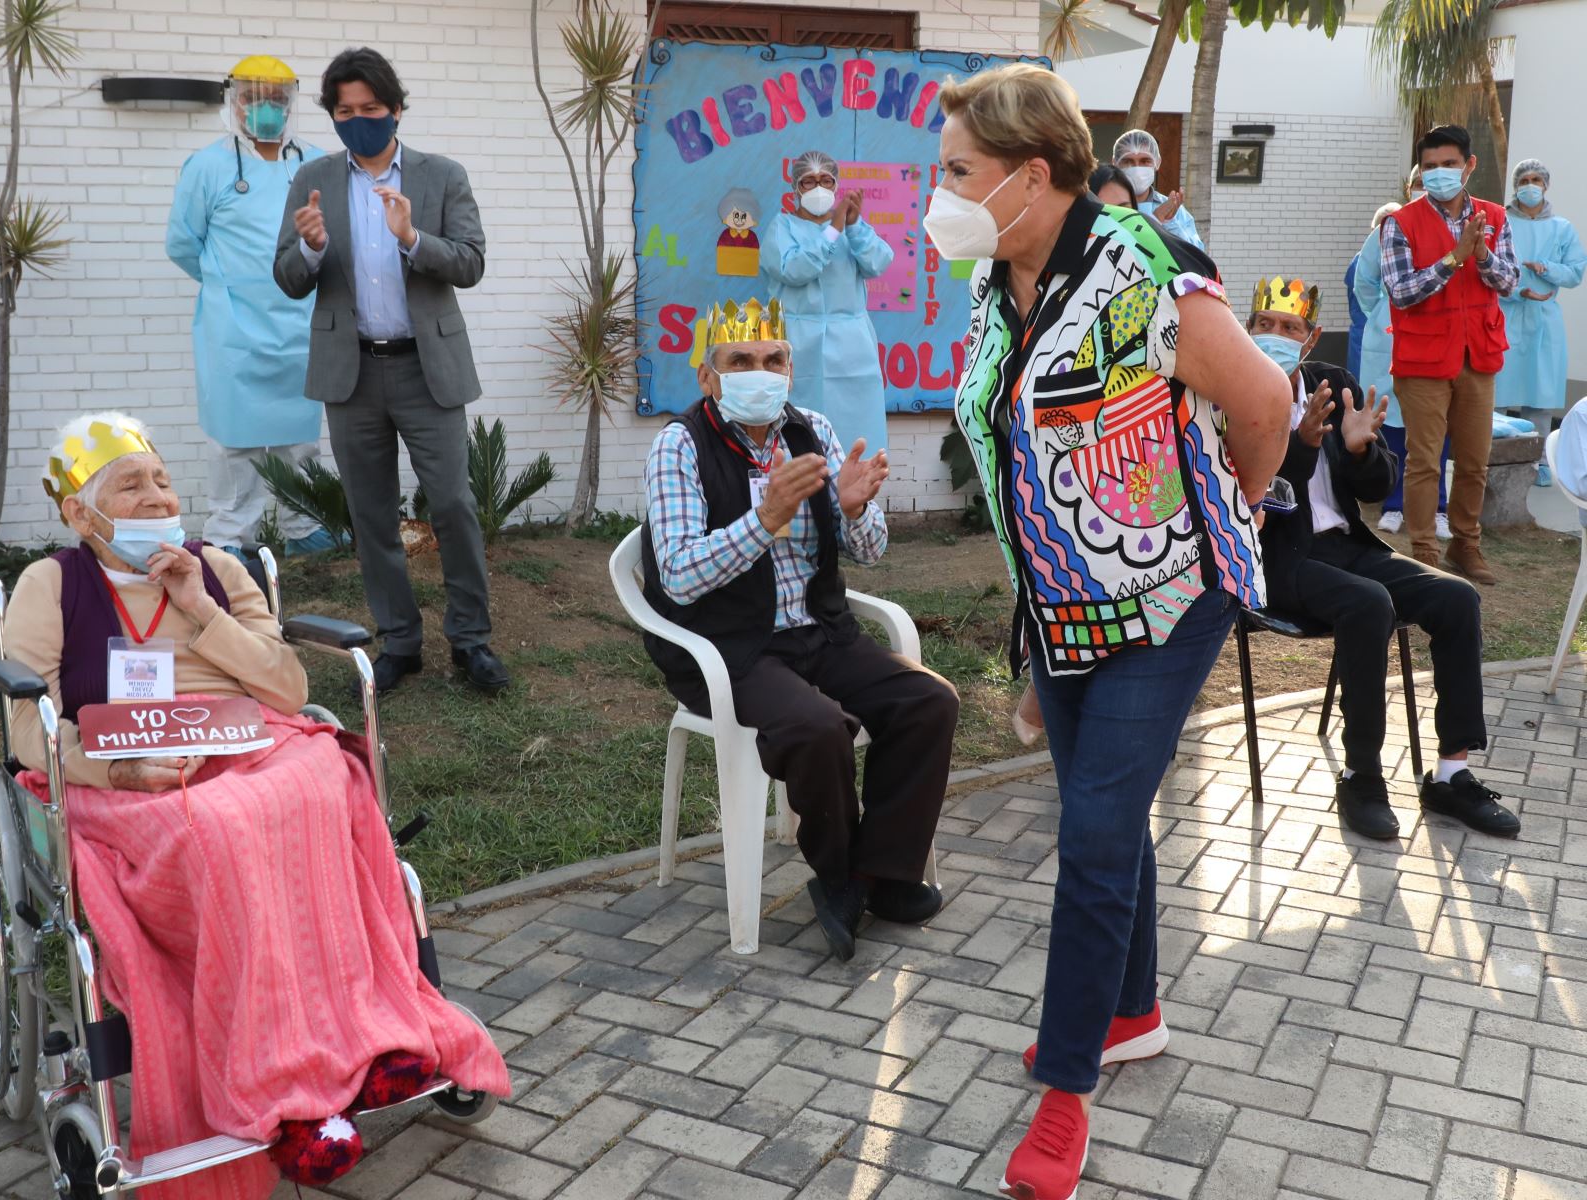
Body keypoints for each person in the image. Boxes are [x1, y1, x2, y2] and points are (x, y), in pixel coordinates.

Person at [932, 66, 1289, 1200]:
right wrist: (1033, 642)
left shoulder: (1149, 273)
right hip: (1063, 603)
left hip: (1169, 600)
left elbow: (1267, 403)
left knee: (1093, 826)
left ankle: (1069, 1089)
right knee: (1104, 811)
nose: (936, 195)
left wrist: (1229, 498)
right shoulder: (1001, 280)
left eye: (957, 174)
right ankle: (1130, 1011)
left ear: (1031, 177)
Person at [3, 412, 508, 1197]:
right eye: (130, 485)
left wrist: (197, 608)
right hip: (121, 768)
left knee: (323, 780)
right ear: (79, 512)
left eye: (163, 480)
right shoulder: (51, 584)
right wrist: (120, 770)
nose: (156, 495)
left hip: (246, 736)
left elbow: (288, 688)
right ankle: (287, 1093)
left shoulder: (215, 568)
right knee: (222, 827)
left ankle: (364, 1044)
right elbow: (28, 731)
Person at [641, 298, 958, 964]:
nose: (760, 372)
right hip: (732, 648)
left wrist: (854, 509)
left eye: (773, 359)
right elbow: (678, 575)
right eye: (740, 361)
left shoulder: (811, 430)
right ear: (708, 376)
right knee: (817, 728)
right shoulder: (680, 445)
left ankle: (880, 876)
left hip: (821, 632)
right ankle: (840, 874)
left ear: (790, 368)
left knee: (929, 701)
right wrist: (766, 516)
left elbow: (869, 553)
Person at [1246, 276, 1519, 841]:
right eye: (1264, 325)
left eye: (1289, 327)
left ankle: (1452, 773)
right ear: (1247, 329)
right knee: (1368, 604)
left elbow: (1375, 487)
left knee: (1455, 596)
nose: (1275, 336)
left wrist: (1361, 449)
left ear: (1311, 336)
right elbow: (1252, 490)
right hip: (1271, 556)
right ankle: (1362, 775)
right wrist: (1299, 445)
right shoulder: (1233, 392)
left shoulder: (1334, 383)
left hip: (1346, 546)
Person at [273, 48, 508, 694]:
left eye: (370, 109)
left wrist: (411, 239)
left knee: (455, 505)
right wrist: (313, 250)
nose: (358, 120)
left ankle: (471, 640)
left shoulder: (441, 176)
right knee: (371, 514)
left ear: (395, 108)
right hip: (351, 375)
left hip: (425, 368)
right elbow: (287, 276)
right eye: (344, 111)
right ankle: (399, 641)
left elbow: (470, 262)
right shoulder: (312, 180)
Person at [167, 56, 335, 560]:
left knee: (299, 439)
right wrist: (226, 284)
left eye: (277, 100)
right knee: (233, 442)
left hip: (300, 324)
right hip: (232, 329)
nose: (266, 109)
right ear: (234, 103)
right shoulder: (208, 166)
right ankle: (229, 538)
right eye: (253, 98)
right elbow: (182, 243)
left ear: (291, 105)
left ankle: (305, 529)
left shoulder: (316, 165)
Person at [1380, 124, 1517, 584]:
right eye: (1431, 167)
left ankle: (1466, 545)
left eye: (1450, 165)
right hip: (1423, 361)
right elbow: (1401, 292)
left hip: (1477, 355)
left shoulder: (1495, 217)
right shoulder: (1400, 223)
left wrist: (1481, 256)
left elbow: (1510, 281)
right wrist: (1452, 258)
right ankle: (1424, 551)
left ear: (1469, 165)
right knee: (1424, 461)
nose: (1440, 174)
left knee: (1475, 459)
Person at [760, 149, 896, 454]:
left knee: (856, 430)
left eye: (826, 180)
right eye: (809, 181)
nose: (818, 188)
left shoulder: (850, 229)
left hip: (852, 348)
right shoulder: (782, 228)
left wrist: (854, 226)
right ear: (795, 188)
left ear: (836, 186)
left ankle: (854, 494)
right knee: (798, 427)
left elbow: (879, 261)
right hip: (798, 342)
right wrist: (833, 231)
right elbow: (794, 269)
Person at [1355, 200, 1455, 539]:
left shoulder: (1451, 231)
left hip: (1439, 335)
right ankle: (1394, 505)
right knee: (1392, 423)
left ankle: (1437, 508)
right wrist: (1381, 313)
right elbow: (1364, 281)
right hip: (1391, 335)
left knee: (1434, 426)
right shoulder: (1387, 230)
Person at [1500, 159, 1586, 439]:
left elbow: (1575, 273)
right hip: (1504, 316)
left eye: (1536, 180)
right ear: (1515, 186)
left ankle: (1537, 460)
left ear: (1546, 185)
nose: (1530, 186)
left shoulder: (1562, 228)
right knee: (1496, 396)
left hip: (1544, 320)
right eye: (1524, 181)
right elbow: (1484, 269)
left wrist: (1546, 267)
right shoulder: (1501, 222)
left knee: (1540, 397)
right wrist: (1517, 291)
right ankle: (1490, 459)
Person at [1112, 129, 1205, 248]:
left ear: (1157, 162)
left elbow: (1195, 256)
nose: (1137, 168)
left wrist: (1170, 223)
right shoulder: (1104, 205)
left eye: (1145, 161)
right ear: (1115, 163)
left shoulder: (1173, 210)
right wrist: (1155, 219)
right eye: (1128, 161)